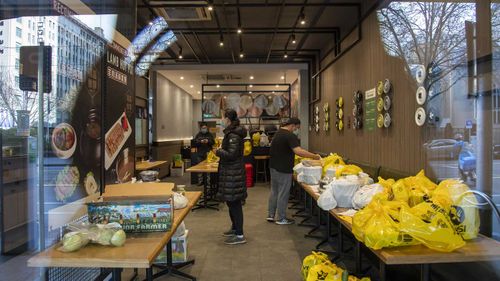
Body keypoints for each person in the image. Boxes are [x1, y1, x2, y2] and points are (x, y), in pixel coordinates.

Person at [268, 117, 320, 225]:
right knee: (283, 193)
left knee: (274, 192)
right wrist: (314, 156)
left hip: (273, 167)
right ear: (293, 125)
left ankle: (271, 215)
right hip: (283, 169)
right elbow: (298, 151)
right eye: (297, 128)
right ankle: (281, 218)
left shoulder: (278, 133)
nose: (297, 130)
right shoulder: (290, 135)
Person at [215, 109, 248, 245]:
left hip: (233, 173)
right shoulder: (231, 133)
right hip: (230, 173)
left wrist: (218, 151)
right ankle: (235, 228)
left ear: (228, 119)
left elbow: (232, 154)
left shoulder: (233, 135)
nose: (222, 120)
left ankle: (240, 235)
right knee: (230, 202)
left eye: (223, 118)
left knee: (235, 204)